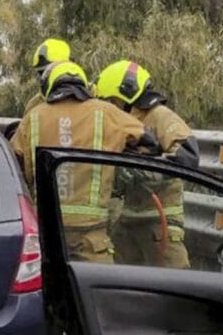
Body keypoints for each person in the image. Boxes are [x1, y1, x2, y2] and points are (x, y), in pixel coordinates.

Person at [10, 60, 156, 264]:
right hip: (91, 240)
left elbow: (13, 167)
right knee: (99, 293)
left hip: (46, 236)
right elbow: (149, 142)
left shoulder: (32, 118)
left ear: (48, 87)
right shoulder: (107, 113)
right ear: (83, 84)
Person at [94, 60, 199, 268]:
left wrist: (144, 171)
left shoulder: (160, 116)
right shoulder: (122, 121)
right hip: (128, 219)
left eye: (112, 101)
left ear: (126, 95)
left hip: (158, 223)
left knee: (175, 289)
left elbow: (188, 156)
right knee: (122, 285)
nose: (110, 107)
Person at [23, 37, 72, 114]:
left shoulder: (89, 97)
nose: (43, 78)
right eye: (40, 73)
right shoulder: (34, 105)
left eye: (48, 72)